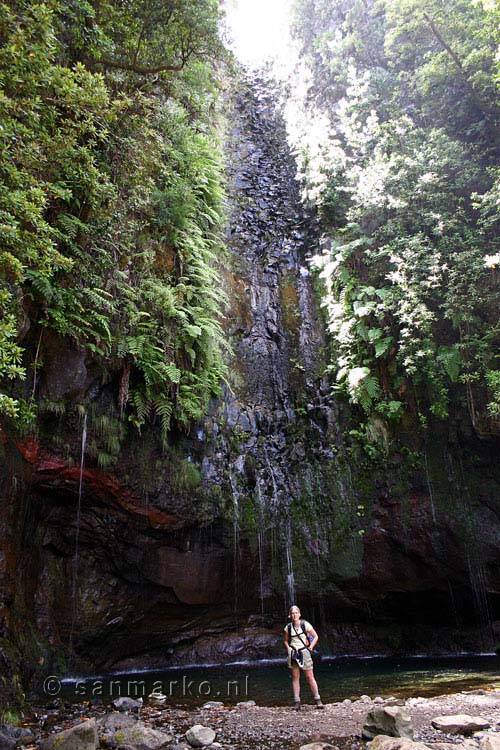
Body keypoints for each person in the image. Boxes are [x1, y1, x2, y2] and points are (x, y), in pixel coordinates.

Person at [283, 604, 324, 710]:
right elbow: (286, 641)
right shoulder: (288, 627)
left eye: (296, 612)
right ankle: (297, 702)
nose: (294, 615)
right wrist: (289, 649)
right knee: (295, 677)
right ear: (290, 615)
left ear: (299, 614)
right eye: (292, 613)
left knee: (310, 676)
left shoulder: (305, 624)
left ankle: (318, 700)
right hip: (293, 653)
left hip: (304, 652)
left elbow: (315, 636)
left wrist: (310, 647)